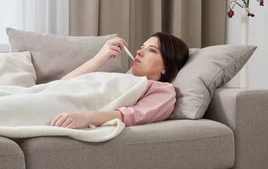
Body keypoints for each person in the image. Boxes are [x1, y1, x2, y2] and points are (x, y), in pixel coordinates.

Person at [50, 32, 189, 129]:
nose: (139, 52)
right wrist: (99, 59)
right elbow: (59, 86)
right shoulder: (122, 79)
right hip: (51, 95)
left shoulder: (163, 90)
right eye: (142, 47)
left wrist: (86, 117)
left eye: (151, 50)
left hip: (60, 111)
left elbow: (135, 115)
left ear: (166, 66)